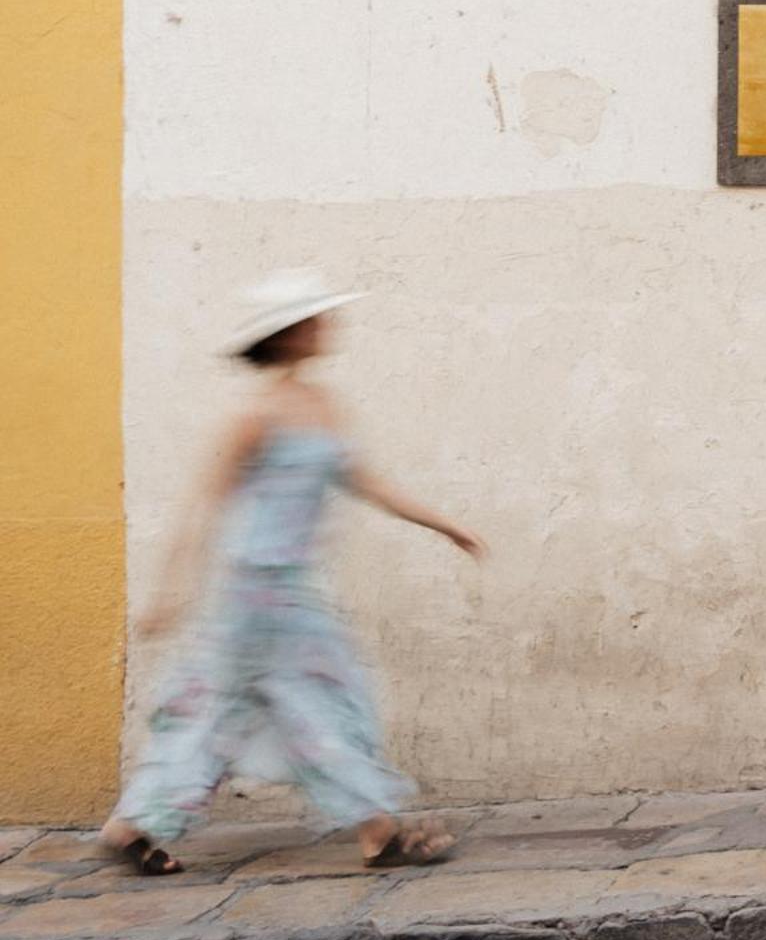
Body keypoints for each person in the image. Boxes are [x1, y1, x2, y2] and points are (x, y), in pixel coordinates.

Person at [99, 269, 486, 875]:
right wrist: (169, 592)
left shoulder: (322, 404)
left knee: (223, 710)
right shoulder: (254, 415)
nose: (326, 326)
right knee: (318, 702)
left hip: (289, 591)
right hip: (254, 591)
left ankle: (130, 827)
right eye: (313, 319)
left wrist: (443, 524)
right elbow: (204, 504)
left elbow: (366, 482)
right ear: (287, 335)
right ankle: (379, 833)